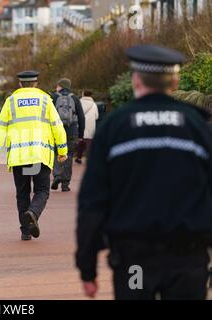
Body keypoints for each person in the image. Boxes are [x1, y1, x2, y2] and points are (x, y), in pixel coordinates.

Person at [76, 44, 212, 300]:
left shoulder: (114, 128)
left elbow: (92, 204)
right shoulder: (198, 126)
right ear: (174, 80)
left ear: (136, 80)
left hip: (135, 260)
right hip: (187, 260)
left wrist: (87, 267)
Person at [0, 71, 68, 241]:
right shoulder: (46, 100)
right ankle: (33, 213)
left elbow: (0, 127)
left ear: (20, 84)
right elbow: (57, 126)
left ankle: (25, 231)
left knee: (22, 193)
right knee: (42, 190)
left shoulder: (10, 101)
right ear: (35, 83)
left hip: (19, 157)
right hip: (39, 155)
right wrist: (62, 151)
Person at [51, 78, 85, 192]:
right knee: (69, 156)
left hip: (56, 131)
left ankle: (57, 175)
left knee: (56, 153)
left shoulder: (54, 97)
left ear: (60, 86)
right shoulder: (74, 98)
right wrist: (80, 135)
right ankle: (65, 184)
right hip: (71, 131)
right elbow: (81, 117)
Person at [75, 90, 99, 164]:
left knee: (81, 141)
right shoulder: (94, 104)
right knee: (89, 143)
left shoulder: (79, 103)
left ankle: (78, 158)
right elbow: (96, 116)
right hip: (91, 126)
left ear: (83, 94)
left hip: (81, 124)